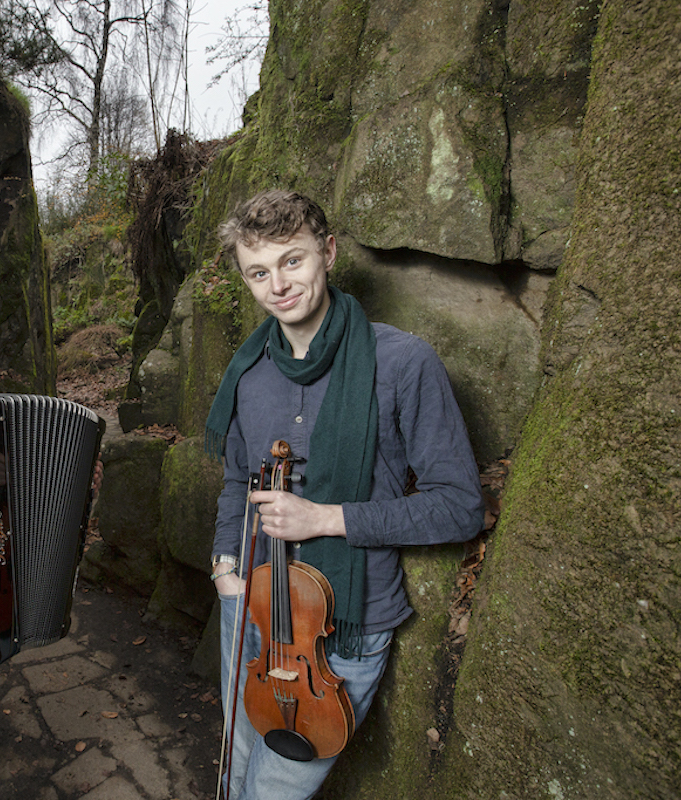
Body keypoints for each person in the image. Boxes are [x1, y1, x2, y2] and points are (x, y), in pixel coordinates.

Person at [206, 190, 485, 799]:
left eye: (292, 261)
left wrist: (326, 518)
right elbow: (237, 479)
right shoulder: (247, 372)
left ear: (327, 253)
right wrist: (226, 569)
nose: (277, 284)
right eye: (259, 271)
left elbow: (461, 505)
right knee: (235, 764)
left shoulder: (403, 362)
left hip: (342, 630)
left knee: (273, 789)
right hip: (248, 608)